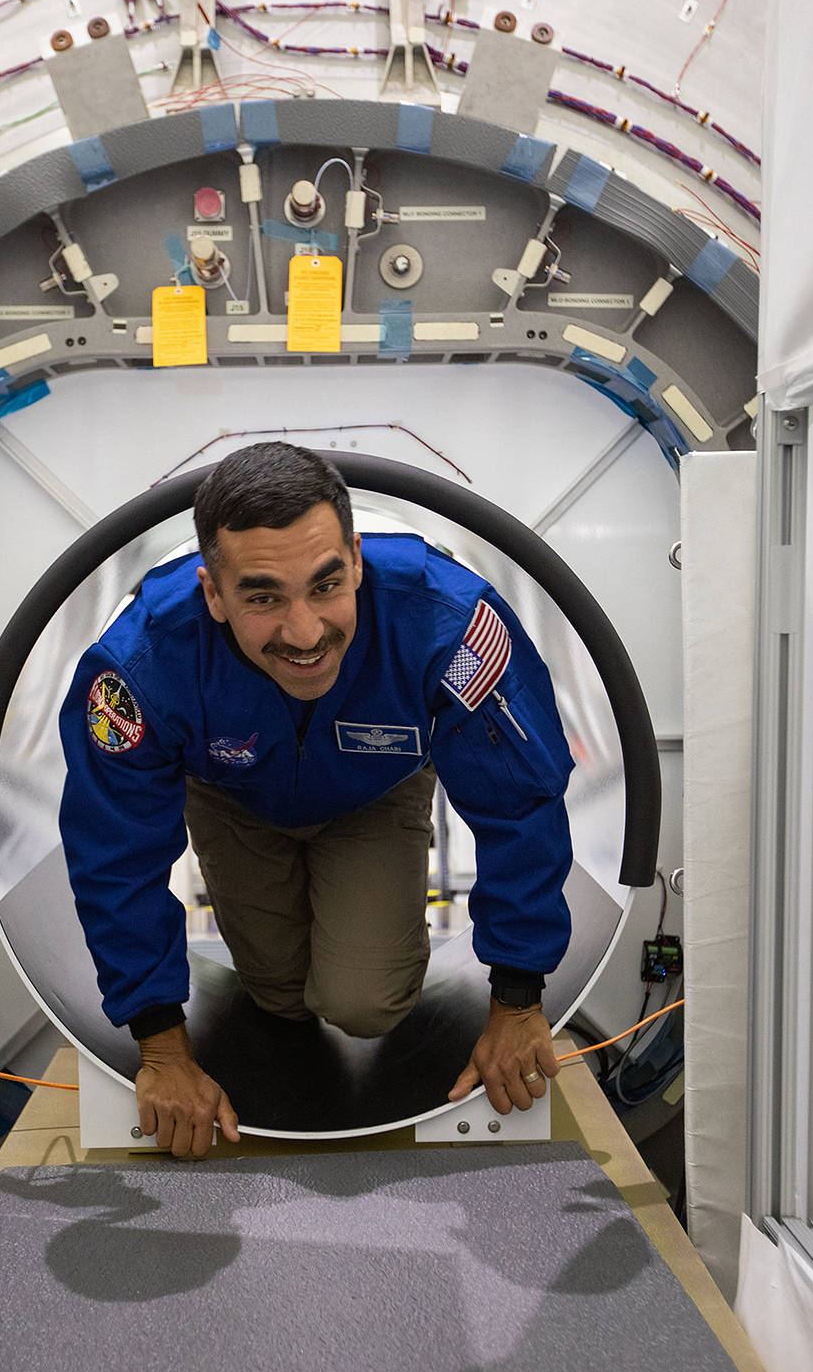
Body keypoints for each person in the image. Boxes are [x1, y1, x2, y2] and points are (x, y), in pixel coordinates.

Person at [59, 442, 574, 1157]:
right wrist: (163, 1052)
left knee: (361, 1005)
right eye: (263, 597)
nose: (305, 633)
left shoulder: (446, 627)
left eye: (326, 586)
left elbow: (522, 804)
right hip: (231, 798)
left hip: (376, 793)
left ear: (357, 560)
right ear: (212, 591)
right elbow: (113, 856)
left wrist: (519, 996)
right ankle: (279, 973)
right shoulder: (140, 669)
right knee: (275, 995)